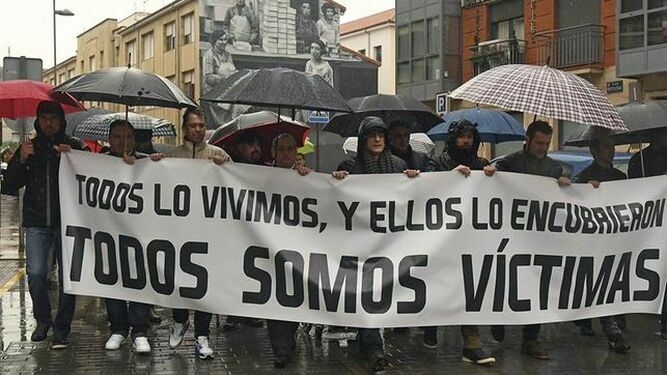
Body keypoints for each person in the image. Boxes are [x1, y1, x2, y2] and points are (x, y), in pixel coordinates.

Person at [332, 116, 420, 374]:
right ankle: (374, 348)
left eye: (381, 135)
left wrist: (413, 179)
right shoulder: (350, 165)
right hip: (360, 243)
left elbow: (412, 196)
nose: (378, 139)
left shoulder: (399, 166)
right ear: (363, 140)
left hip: (389, 242)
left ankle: (367, 341)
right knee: (367, 292)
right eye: (372, 135)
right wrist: (338, 180)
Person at [4, 101, 89, 349]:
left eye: (53, 118)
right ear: (38, 121)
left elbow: (96, 174)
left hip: (68, 223)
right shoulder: (29, 147)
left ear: (61, 120)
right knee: (37, 274)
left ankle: (62, 329)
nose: (49, 123)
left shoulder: (73, 145)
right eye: (44, 118)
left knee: (69, 279)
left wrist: (76, 158)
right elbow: (9, 185)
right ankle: (43, 320)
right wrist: (21, 159)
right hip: (36, 223)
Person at [493, 120, 572, 360]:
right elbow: (492, 180)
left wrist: (566, 178)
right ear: (527, 140)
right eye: (539, 142)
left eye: (547, 143)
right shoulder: (510, 162)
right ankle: (498, 319)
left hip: (538, 238)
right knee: (505, 280)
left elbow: (566, 176)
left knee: (537, 286)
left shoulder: (551, 167)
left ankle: (531, 338)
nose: (543, 147)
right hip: (510, 235)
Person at [161, 107, 232, 359]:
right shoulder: (173, 156)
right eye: (193, 125)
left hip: (209, 234)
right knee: (178, 280)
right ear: (185, 129)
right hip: (179, 233)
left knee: (205, 285)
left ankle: (202, 336)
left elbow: (237, 185)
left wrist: (226, 168)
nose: (198, 129)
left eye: (202, 125)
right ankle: (180, 320)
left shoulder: (218, 154)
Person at [424, 119, 496, 365]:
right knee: (440, 285)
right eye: (461, 136)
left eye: (469, 137)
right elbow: (425, 184)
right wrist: (448, 177)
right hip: (442, 239)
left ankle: (472, 342)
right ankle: (431, 324)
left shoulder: (481, 164)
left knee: (469, 288)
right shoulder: (438, 162)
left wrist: (490, 177)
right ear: (453, 139)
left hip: (471, 240)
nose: (465, 141)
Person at [572, 135, 630, 354]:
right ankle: (603, 326)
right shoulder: (584, 176)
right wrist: (585, 189)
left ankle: (609, 320)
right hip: (593, 239)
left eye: (613, 147)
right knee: (594, 278)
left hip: (615, 236)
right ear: (594, 150)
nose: (611, 151)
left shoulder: (620, 176)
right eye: (607, 147)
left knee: (612, 277)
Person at [102, 120, 152, 354]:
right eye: (118, 137)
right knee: (113, 281)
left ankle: (140, 331)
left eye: (128, 137)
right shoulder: (96, 162)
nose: (124, 141)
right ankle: (118, 329)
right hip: (109, 233)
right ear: (109, 139)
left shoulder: (147, 162)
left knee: (141, 279)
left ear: (134, 139)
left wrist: (151, 165)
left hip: (140, 234)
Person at [266, 132, 310, 368]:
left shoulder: (306, 176)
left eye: (289, 149)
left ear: (296, 152)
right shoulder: (260, 174)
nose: (285, 153)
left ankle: (288, 338)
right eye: (280, 149)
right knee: (274, 298)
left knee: (292, 296)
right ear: (273, 153)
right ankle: (280, 349)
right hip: (269, 247)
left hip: (297, 248)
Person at [202, 32, 248, 126]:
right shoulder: (209, 55)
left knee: (242, 104)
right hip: (215, 94)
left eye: (225, 39)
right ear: (214, 41)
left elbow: (232, 70)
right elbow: (208, 77)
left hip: (229, 91)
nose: (223, 42)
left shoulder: (228, 55)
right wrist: (226, 79)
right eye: (220, 40)